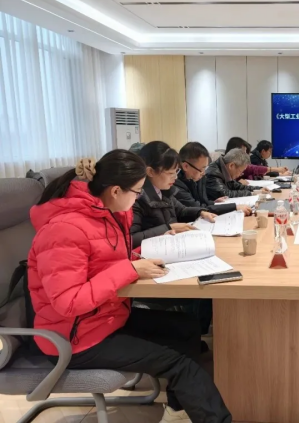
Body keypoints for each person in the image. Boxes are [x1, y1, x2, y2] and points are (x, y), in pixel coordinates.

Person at [27, 151, 232, 423]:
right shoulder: (64, 230)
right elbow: (68, 302)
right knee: (180, 362)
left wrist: (142, 256)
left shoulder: (104, 214)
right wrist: (130, 269)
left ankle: (179, 406)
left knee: (187, 327)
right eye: (136, 192)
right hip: (74, 339)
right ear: (115, 191)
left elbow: (104, 260)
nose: (138, 198)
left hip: (105, 317)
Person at [131, 141, 216, 248]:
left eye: (176, 171)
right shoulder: (136, 198)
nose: (175, 177)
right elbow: (131, 239)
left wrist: (201, 212)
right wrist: (168, 228)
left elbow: (182, 210)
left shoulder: (164, 191)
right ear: (150, 172)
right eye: (170, 173)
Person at [174, 142, 252, 216]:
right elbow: (198, 209)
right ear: (185, 166)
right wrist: (234, 207)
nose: (204, 173)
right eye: (201, 169)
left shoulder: (198, 177)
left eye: (205, 168)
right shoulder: (176, 185)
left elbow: (202, 202)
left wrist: (212, 202)